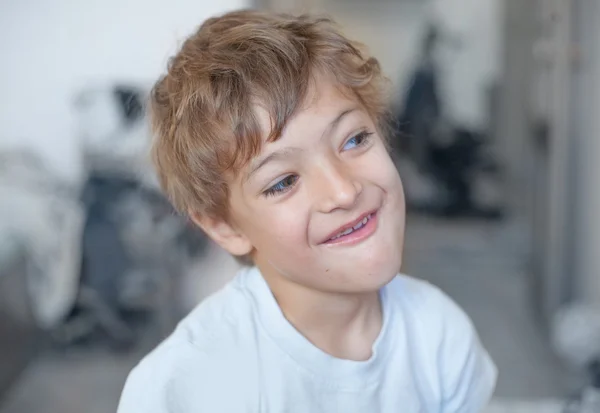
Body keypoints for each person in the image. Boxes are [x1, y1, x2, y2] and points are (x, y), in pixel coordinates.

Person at [117, 10, 497, 413]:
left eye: (354, 140)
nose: (343, 190)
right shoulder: (188, 386)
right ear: (223, 225)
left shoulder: (440, 337)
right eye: (283, 182)